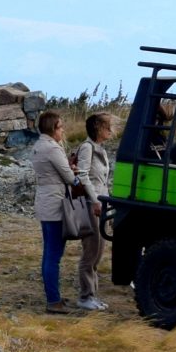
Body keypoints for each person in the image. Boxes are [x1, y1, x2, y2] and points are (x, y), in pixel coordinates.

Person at [29, 109, 77, 315]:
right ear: (53, 128)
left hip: (44, 201)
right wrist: (75, 175)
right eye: (60, 127)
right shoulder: (53, 149)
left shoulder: (38, 146)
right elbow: (68, 177)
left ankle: (53, 295)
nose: (63, 130)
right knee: (54, 255)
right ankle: (53, 300)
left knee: (49, 252)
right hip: (56, 204)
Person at [73, 112, 114, 311]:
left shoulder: (100, 150)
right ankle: (85, 295)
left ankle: (92, 294)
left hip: (101, 204)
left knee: (99, 250)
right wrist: (94, 199)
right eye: (107, 127)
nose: (110, 131)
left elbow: (103, 179)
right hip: (92, 204)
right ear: (98, 128)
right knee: (91, 251)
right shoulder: (87, 148)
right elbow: (82, 175)